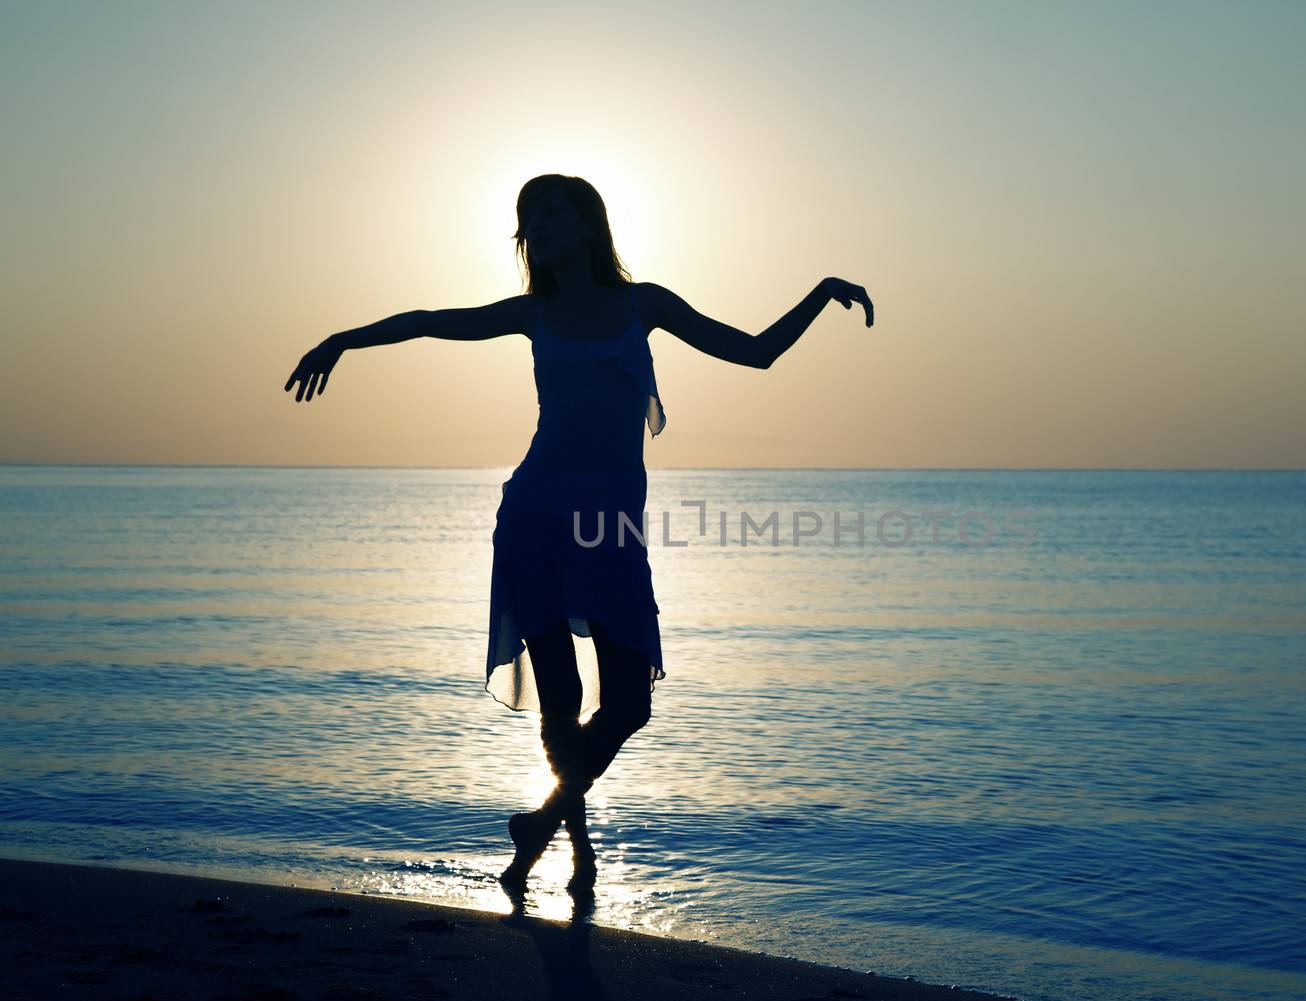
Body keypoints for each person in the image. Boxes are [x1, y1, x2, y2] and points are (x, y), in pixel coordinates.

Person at [283, 173, 873, 895]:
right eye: (530, 218)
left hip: (610, 528)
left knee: (628, 702)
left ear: (589, 223)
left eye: (553, 212)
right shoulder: (534, 313)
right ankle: (561, 858)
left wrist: (819, 293)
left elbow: (756, 351)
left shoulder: (642, 303)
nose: (540, 226)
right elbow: (433, 318)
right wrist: (343, 339)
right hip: (536, 514)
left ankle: (541, 822)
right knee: (559, 700)